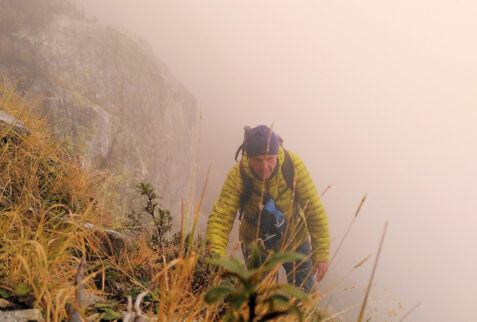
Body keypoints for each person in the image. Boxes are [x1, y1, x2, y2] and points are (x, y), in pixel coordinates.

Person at [205, 125, 330, 292]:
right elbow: (220, 220)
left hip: (294, 238)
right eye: (258, 160)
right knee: (260, 297)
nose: (265, 167)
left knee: (304, 297)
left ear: (277, 153)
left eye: (270, 158)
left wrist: (321, 253)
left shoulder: (292, 165)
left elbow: (314, 209)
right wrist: (216, 261)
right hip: (256, 243)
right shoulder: (239, 175)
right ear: (248, 157)